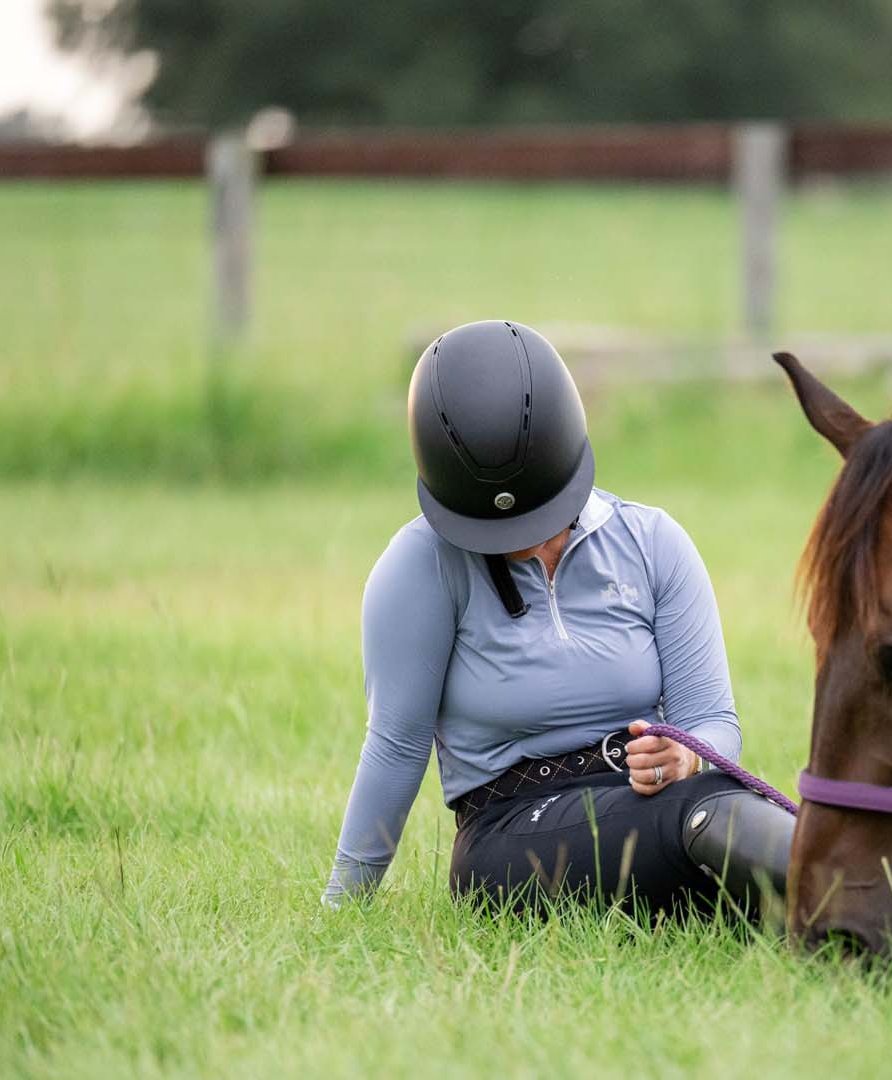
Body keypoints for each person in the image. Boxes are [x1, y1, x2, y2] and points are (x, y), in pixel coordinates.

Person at [324, 320, 792, 913]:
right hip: (510, 834)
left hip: (652, 804)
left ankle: (888, 917)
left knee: (723, 816)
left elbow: (711, 717)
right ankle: (859, 890)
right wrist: (342, 908)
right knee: (706, 818)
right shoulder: (421, 565)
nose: (519, 543)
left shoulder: (652, 542)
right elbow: (396, 743)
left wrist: (687, 755)